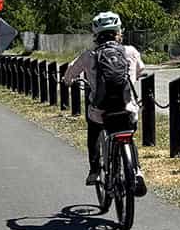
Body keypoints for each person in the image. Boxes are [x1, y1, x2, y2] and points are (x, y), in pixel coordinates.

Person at [60, 11, 147, 196]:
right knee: (129, 136)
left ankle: (94, 170)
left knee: (93, 131)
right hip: (127, 109)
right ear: (119, 32)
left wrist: (68, 81)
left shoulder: (88, 55)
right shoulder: (130, 51)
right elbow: (141, 70)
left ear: (96, 34)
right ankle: (137, 172)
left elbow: (69, 74)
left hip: (101, 112)